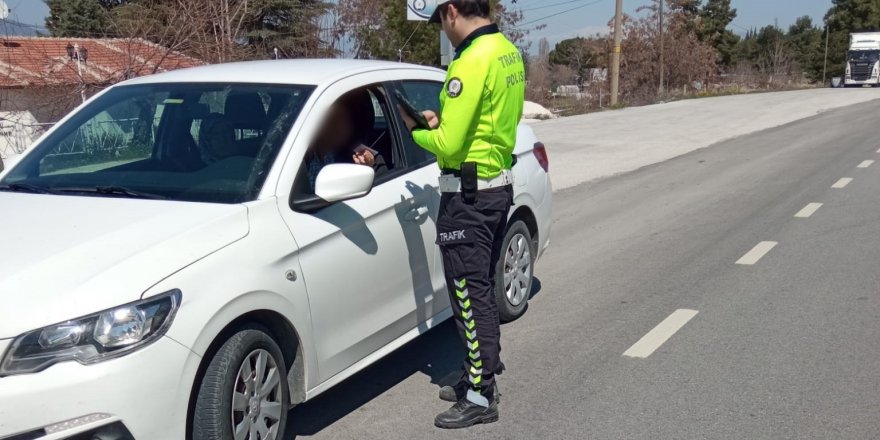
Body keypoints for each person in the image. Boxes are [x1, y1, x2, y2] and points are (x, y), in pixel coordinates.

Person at [399, 0, 525, 430]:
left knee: (468, 297)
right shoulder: (506, 50)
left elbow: (451, 145)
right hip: (495, 187)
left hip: (467, 200)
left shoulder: (469, 61)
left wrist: (414, 130)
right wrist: (441, 122)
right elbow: (480, 123)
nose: (442, 29)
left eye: (439, 20)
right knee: (483, 288)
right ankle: (482, 369)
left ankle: (480, 394)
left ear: (451, 11)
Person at [306, 92, 388, 191]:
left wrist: (367, 169)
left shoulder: (359, 159)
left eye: (340, 118)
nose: (335, 126)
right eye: (330, 118)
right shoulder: (300, 151)